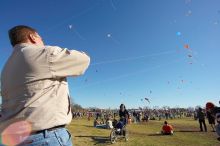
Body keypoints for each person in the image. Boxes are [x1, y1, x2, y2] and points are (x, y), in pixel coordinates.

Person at [0, 25, 90, 146]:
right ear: (33, 37)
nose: (43, 42)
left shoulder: (6, 67)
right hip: (44, 138)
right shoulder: (43, 53)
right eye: (41, 39)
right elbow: (83, 60)